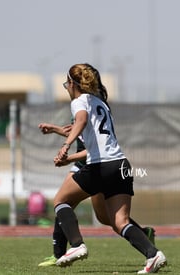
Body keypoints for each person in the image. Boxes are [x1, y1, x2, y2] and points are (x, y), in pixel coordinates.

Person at [51, 63, 167, 274]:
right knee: (119, 221)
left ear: (72, 84)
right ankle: (153, 254)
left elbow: (81, 120)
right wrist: (62, 134)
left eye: (66, 84)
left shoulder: (79, 101)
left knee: (61, 201)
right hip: (121, 164)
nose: (66, 88)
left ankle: (76, 245)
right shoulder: (101, 103)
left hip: (100, 166)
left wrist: (66, 146)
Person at [37, 121, 155, 267]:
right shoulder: (82, 106)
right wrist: (56, 129)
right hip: (83, 164)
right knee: (63, 202)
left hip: (97, 165)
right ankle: (59, 253)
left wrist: (68, 158)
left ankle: (142, 233)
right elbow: (80, 135)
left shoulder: (87, 106)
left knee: (105, 217)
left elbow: (96, 147)